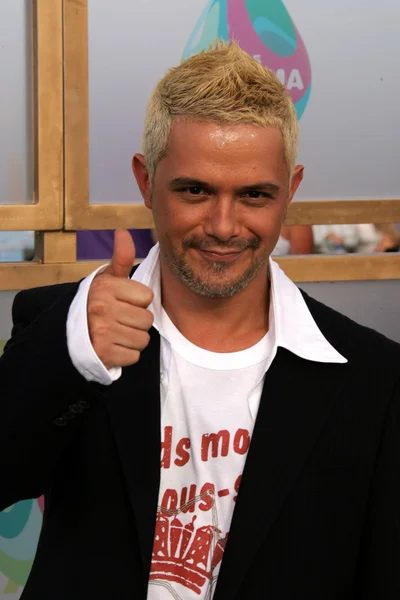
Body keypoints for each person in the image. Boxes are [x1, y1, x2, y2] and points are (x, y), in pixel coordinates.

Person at [0, 41, 399, 600]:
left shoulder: (373, 375)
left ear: (292, 191)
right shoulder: (64, 326)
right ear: (145, 182)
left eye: (255, 194)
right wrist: (73, 352)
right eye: (195, 190)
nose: (223, 224)